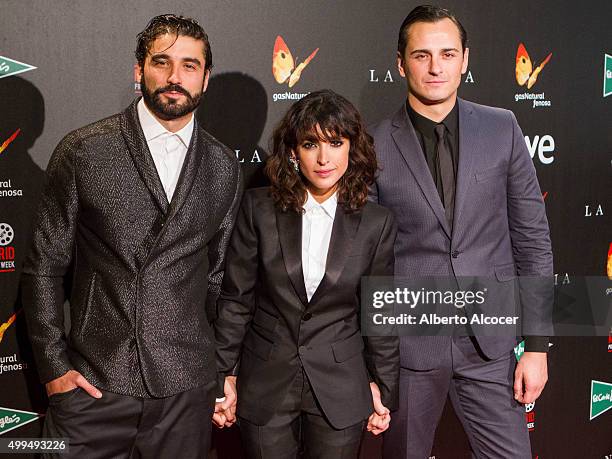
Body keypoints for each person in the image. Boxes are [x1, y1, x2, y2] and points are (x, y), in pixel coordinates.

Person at [22, 14, 242, 459]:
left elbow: (220, 279)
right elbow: (44, 266)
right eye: (161, 62)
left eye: (189, 65)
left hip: (184, 391)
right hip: (93, 386)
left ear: (206, 78)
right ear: (138, 71)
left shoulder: (223, 166)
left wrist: (221, 371)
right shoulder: (85, 150)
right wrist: (54, 369)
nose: (175, 77)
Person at [369, 5, 553, 458]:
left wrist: (538, 346)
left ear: (465, 59)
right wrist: (374, 364)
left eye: (448, 54)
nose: (436, 67)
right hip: (409, 350)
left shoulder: (502, 127)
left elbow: (532, 240)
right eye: (422, 55)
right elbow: (365, 262)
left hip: (489, 343)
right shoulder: (371, 144)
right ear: (400, 62)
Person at [214, 89, 400, 458]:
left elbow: (379, 314)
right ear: (293, 151)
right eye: (310, 143)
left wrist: (383, 386)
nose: (323, 157)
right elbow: (237, 299)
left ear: (352, 148)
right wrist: (222, 376)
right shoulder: (259, 209)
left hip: (341, 386)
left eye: (335, 142)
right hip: (266, 381)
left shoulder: (376, 223)